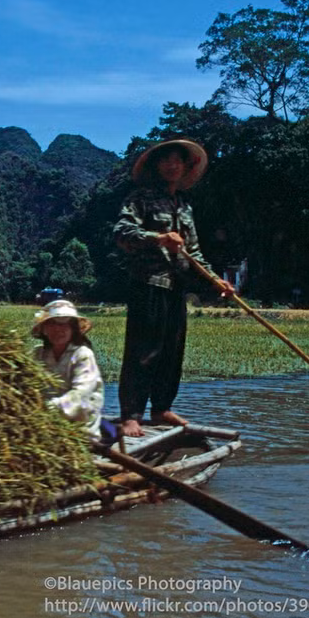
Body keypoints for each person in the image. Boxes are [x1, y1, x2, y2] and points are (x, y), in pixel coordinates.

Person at [113, 139, 233, 438]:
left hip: (176, 287)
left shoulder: (184, 205)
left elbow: (194, 252)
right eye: (165, 160)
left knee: (171, 351)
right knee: (143, 351)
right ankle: (131, 414)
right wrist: (160, 238)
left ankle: (161, 407)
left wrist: (215, 280)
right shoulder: (140, 199)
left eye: (177, 161)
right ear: (157, 166)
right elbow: (123, 233)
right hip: (148, 283)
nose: (171, 165)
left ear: (184, 167)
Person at [31, 299, 106, 440]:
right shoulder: (37, 354)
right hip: (44, 426)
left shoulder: (82, 354)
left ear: (73, 330)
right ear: (44, 330)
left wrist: (48, 408)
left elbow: (80, 394)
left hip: (80, 429)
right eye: (52, 325)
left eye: (65, 326)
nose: (58, 330)